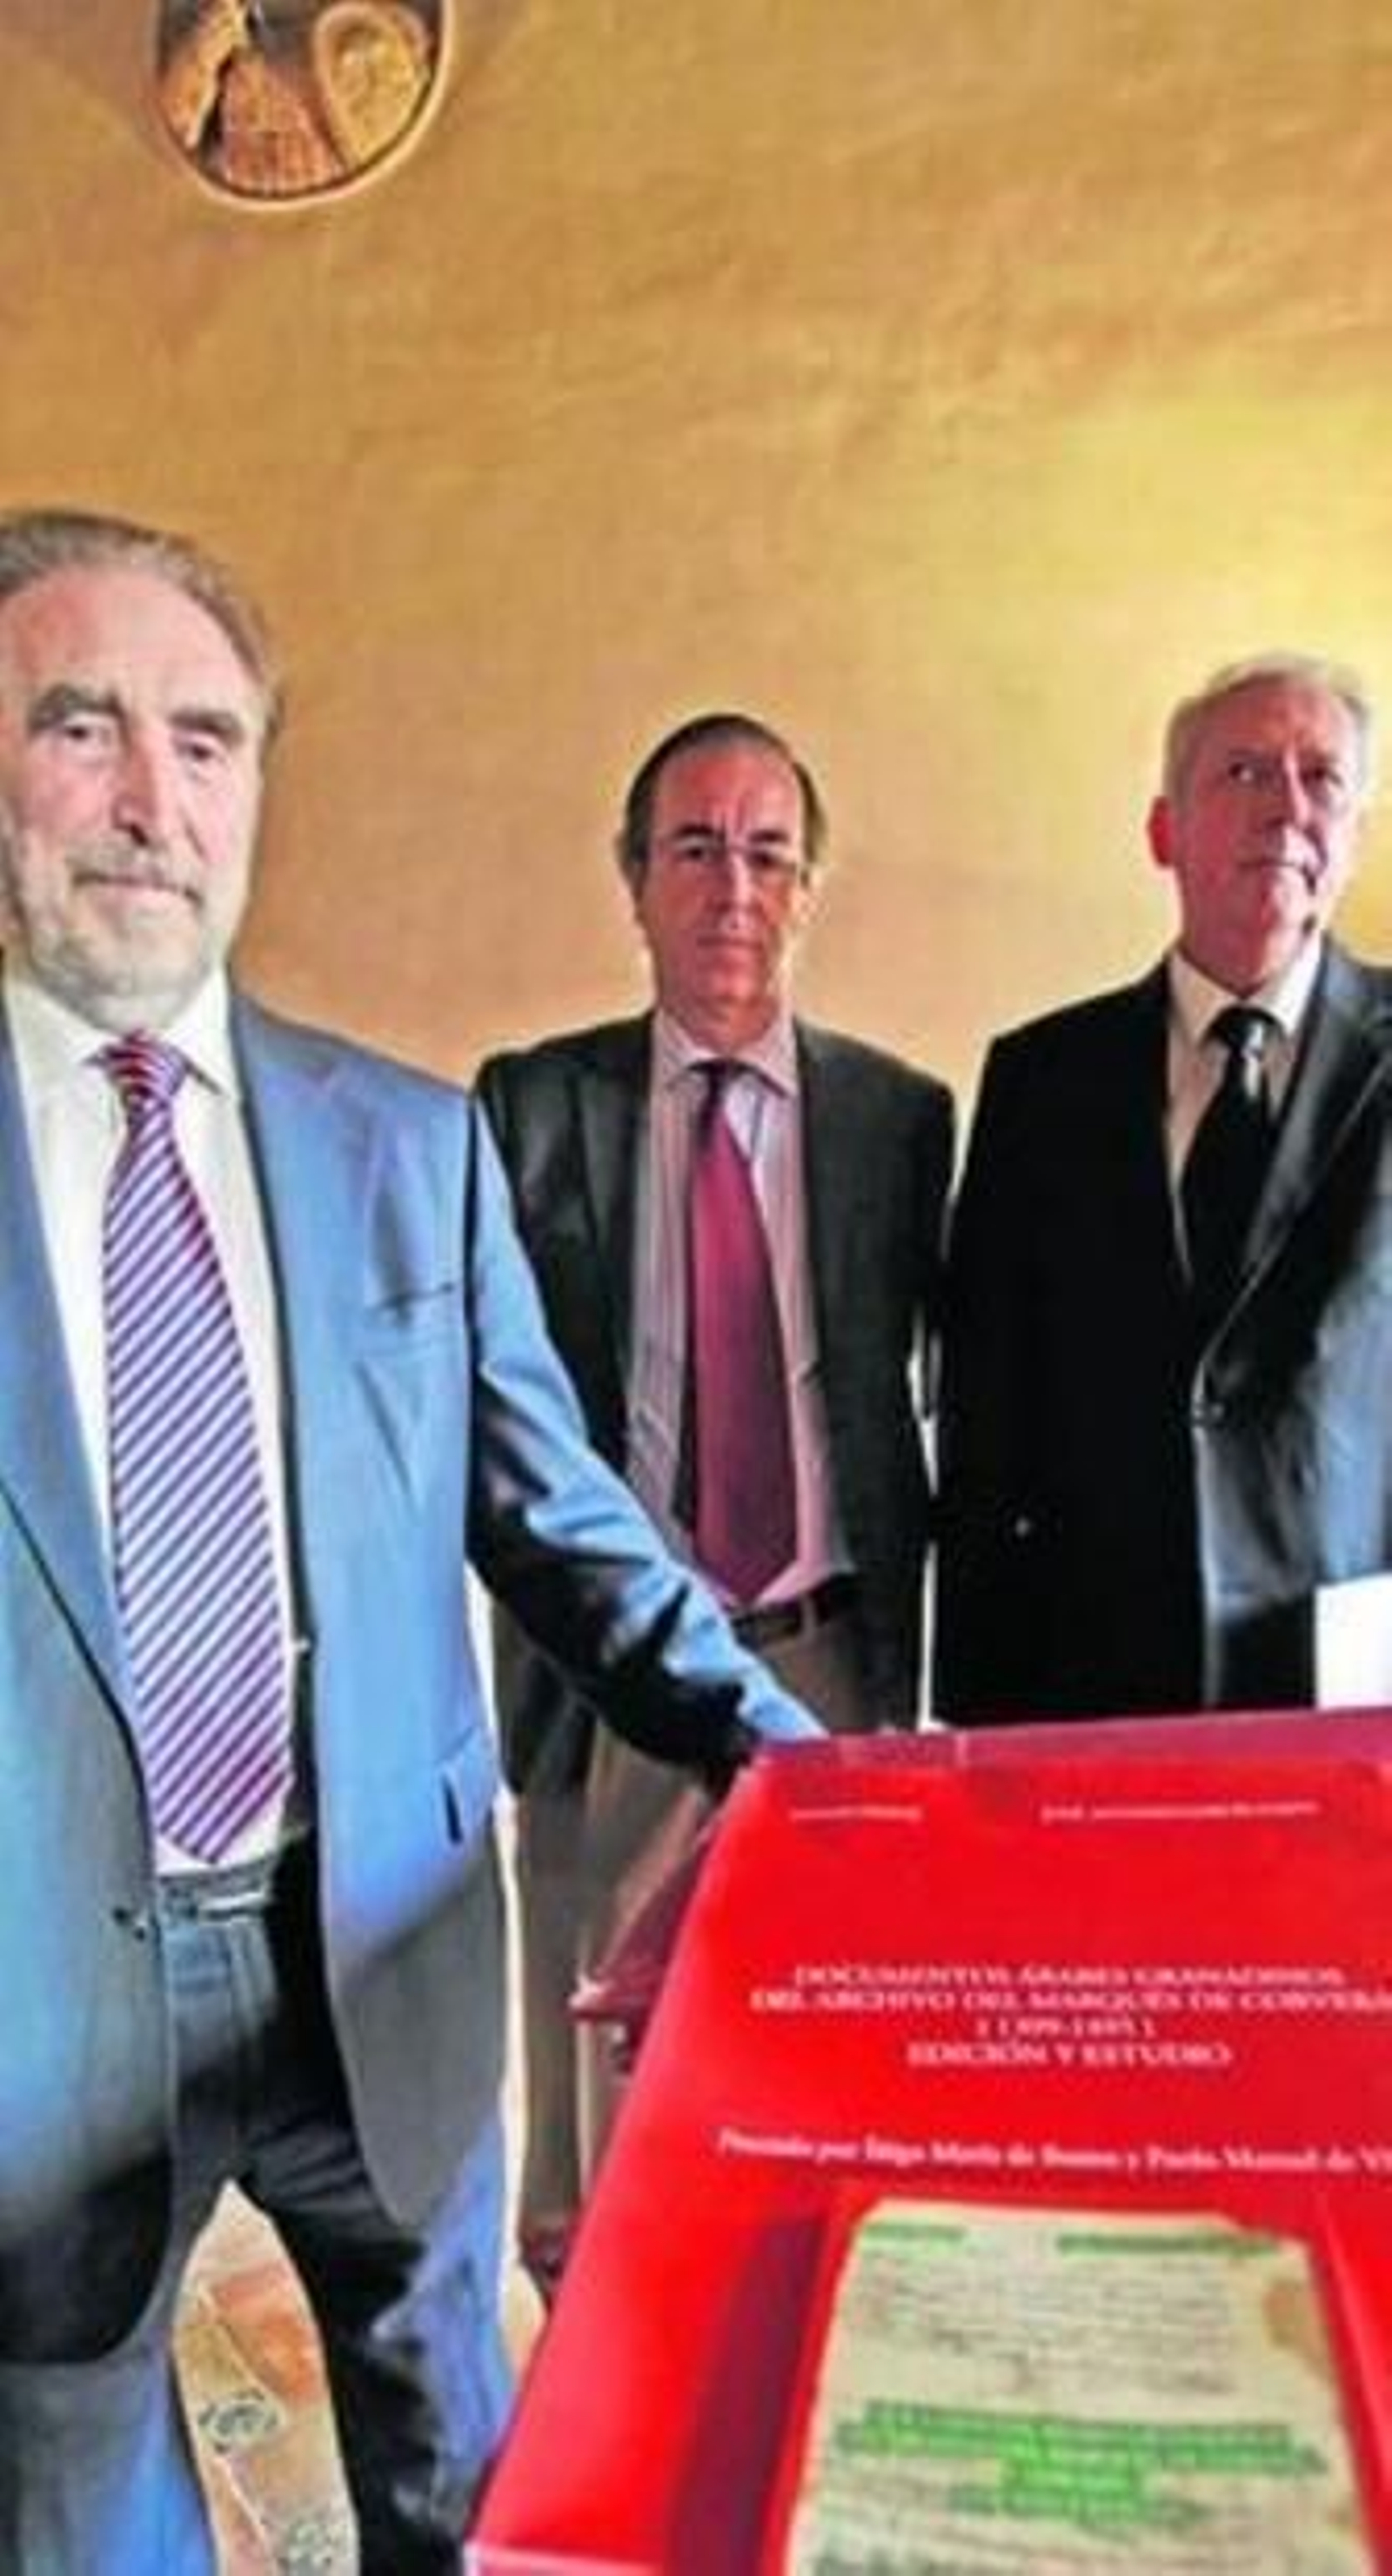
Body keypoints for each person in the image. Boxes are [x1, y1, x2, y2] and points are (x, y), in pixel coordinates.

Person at [0, 512, 822, 2576]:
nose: (150, 799)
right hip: (39, 2010)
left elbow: (559, 1521)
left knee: (467, 2486)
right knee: (76, 2524)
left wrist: (799, 1770)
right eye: (79, 727)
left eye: (205, 739)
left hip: (377, 1946)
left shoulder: (405, 1145)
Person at [478, 711, 954, 2293]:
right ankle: (608, 2345)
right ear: (634, 878)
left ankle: (812, 2326)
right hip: (615, 1664)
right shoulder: (531, 1106)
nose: (733, 888)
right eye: (694, 848)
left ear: (809, 884)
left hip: (828, 1653)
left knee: (832, 2034)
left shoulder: (900, 1119)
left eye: (767, 853)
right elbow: (488, 1405)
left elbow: (938, 1380)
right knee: (604, 2064)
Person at [934, 651, 1392, 1726]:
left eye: (1321, 778)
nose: (1285, 808)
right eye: (1244, 772)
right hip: (1094, 1682)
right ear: (1162, 831)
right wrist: (976, 1710)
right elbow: (985, 1413)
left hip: (1349, 1685)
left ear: (1356, 834)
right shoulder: (1040, 1079)